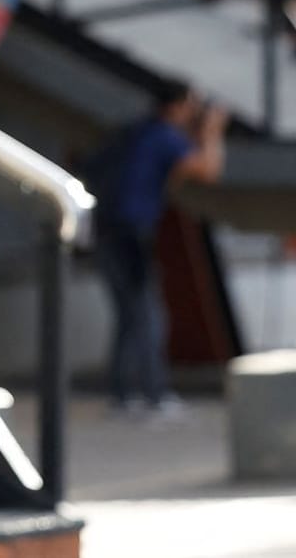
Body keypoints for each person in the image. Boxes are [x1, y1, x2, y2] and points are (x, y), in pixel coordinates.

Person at [87, 84, 226, 421]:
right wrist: (212, 130)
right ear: (177, 106)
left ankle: (123, 396)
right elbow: (208, 170)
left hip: (106, 230)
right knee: (148, 316)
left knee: (128, 316)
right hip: (130, 235)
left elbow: (171, 178)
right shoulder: (164, 136)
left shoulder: (140, 132)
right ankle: (155, 395)